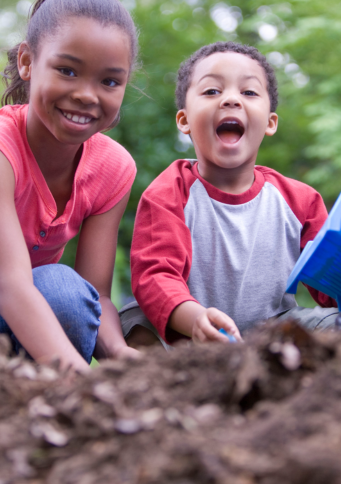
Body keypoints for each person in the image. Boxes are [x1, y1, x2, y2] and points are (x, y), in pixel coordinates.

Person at [0, 0, 139, 371]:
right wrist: (84, 381)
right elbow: (11, 287)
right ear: (27, 62)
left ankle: (38, 403)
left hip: (20, 321)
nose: (86, 95)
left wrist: (123, 358)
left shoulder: (114, 168)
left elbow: (96, 293)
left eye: (110, 81)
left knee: (64, 291)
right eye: (68, 71)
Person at [123, 41, 339, 349]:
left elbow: (330, 282)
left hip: (276, 335)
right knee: (130, 321)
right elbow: (155, 275)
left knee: (332, 324)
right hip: (190, 334)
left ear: (270, 122)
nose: (230, 99)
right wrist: (194, 318)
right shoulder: (168, 193)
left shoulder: (300, 200)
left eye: (249, 92)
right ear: (183, 120)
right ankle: (172, 388)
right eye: (211, 91)